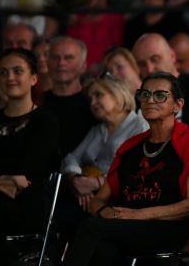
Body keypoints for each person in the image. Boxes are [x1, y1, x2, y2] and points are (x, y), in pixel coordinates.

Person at [6, 72, 189, 266]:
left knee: (92, 229)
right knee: (101, 244)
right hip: (126, 227)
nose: (150, 100)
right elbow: (98, 202)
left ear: (178, 105)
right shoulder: (130, 148)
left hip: (171, 228)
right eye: (145, 94)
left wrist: (137, 215)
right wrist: (109, 213)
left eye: (160, 95)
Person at [0, 49, 59, 265]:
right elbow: (7, 177)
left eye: (17, 71)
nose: (10, 77)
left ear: (34, 79)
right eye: (3, 72)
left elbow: (23, 178)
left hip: (22, 206)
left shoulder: (45, 122)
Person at [58, 74, 148, 233]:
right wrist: (76, 179)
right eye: (90, 98)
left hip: (118, 202)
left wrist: (96, 183)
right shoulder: (97, 130)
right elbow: (71, 158)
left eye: (98, 95)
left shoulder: (140, 126)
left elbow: (136, 171)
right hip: (86, 197)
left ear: (118, 94)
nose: (92, 103)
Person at [132, 33, 189, 147]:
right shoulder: (139, 98)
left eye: (155, 59)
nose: (149, 69)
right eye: (142, 64)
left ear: (172, 56)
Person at [43, 36, 98, 159]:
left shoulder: (95, 104)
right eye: (55, 57)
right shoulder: (36, 102)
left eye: (69, 58)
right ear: (47, 64)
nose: (61, 63)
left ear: (83, 66)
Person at [67, 0, 124, 75]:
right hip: (79, 71)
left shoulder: (114, 18)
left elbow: (117, 48)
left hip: (106, 71)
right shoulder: (77, 19)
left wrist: (101, 65)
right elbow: (71, 48)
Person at [123, 0, 189, 48]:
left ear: (164, 2)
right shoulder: (133, 24)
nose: (152, 1)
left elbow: (188, 40)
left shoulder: (175, 20)